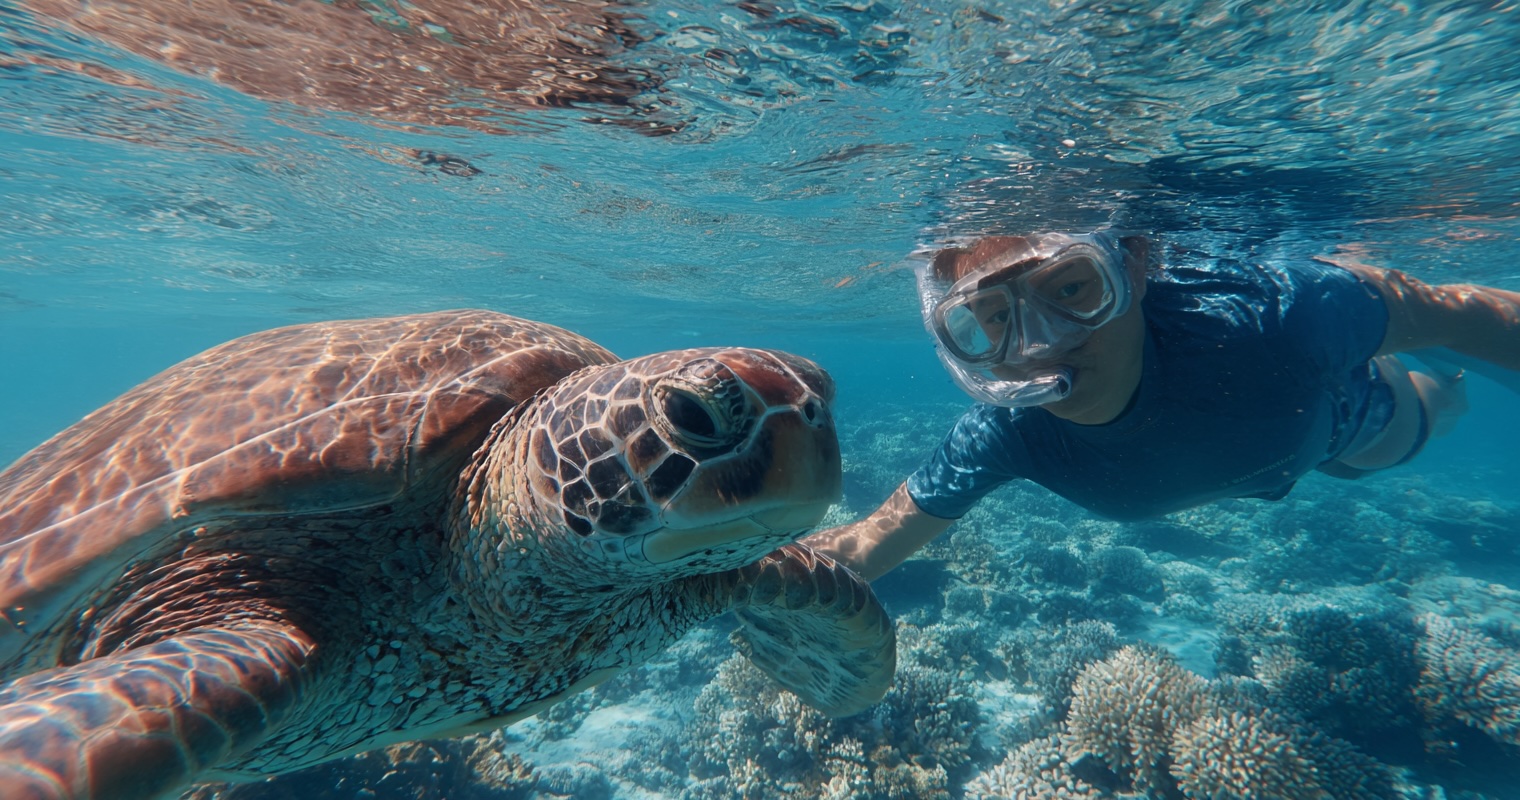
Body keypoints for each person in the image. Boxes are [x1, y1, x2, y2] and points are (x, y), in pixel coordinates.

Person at [805, 230, 1520, 581]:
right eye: (988, 319)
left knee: (1436, 405)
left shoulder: (1276, 318)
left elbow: (1462, 315)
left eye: (1071, 288)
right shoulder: (1004, 435)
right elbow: (866, 546)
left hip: (1348, 417)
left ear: (1136, 267)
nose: (1038, 347)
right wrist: (722, 572)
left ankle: (1400, 346)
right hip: (1300, 446)